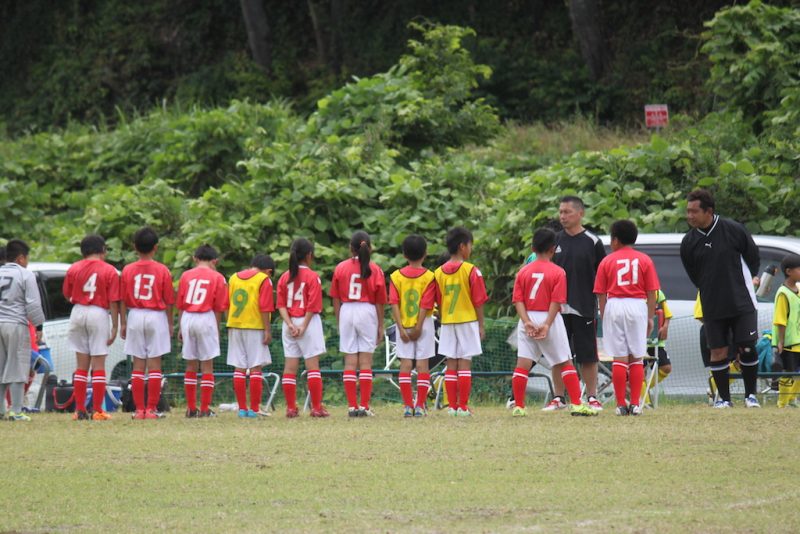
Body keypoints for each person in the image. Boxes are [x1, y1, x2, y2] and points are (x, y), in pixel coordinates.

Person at [680, 189, 761, 408]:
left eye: (694, 211)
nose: (689, 216)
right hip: (712, 304)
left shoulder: (733, 230)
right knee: (717, 351)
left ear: (709, 211)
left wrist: (748, 279)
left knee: (747, 347)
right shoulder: (688, 242)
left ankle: (751, 396)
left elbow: (753, 257)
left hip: (741, 301)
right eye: (688, 211)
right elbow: (695, 275)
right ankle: (724, 399)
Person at [511, 228, 596, 417]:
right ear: (553, 249)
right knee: (564, 361)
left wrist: (526, 322)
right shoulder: (558, 272)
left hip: (527, 317)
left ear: (533, 248)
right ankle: (576, 404)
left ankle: (519, 406)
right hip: (549, 317)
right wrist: (547, 324)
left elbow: (518, 300)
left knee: (522, 362)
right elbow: (556, 301)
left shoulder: (523, 272)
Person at [594, 220, 660, 415]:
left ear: (615, 240)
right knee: (636, 357)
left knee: (619, 358)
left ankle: (620, 404)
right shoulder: (645, 260)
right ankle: (636, 403)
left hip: (614, 305)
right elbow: (652, 292)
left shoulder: (607, 261)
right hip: (637, 306)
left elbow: (601, 294)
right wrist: (650, 317)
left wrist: (605, 315)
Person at [549, 196, 606, 411]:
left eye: (567, 212)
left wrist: (602, 305)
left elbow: (603, 275)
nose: (562, 216)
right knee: (558, 354)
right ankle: (558, 397)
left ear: (580, 213)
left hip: (584, 307)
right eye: (561, 212)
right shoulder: (554, 241)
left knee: (587, 355)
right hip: (557, 309)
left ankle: (592, 397)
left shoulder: (593, 241)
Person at [62, 234, 121, 421]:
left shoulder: (73, 268)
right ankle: (97, 410)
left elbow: (67, 295)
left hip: (78, 311)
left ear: (83, 251)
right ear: (102, 250)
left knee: (81, 365)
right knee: (98, 364)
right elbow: (113, 300)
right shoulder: (110, 270)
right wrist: (115, 326)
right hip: (98, 312)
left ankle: (79, 410)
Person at [120, 227, 175, 420]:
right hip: (156, 315)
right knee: (154, 365)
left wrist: (123, 322)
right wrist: (170, 323)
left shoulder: (127, 270)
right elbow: (169, 300)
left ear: (135, 247)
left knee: (138, 365)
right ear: (156, 247)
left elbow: (122, 299)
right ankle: (151, 409)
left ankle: (139, 410)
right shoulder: (162, 270)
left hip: (135, 315)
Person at [434, 226, 488, 416]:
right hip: (467, 321)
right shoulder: (471, 270)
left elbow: (438, 301)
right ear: (462, 246)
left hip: (448, 322)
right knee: (464, 364)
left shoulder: (438, 273)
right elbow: (479, 300)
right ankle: (463, 406)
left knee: (451, 364)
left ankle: (452, 407)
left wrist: (443, 317)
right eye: (470, 245)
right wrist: (481, 324)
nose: (470, 249)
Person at [330, 231, 386, 417]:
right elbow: (380, 301)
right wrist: (380, 325)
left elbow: (335, 297)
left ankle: (352, 406)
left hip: (346, 310)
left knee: (350, 361)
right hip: (367, 311)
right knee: (365, 362)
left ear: (350, 248)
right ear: (369, 248)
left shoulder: (340, 267)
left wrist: (339, 319)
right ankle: (364, 406)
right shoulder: (375, 269)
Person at [277, 238, 328, 418]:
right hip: (308, 323)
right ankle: (316, 407)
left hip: (289, 323)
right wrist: (303, 326)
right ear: (309, 255)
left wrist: (290, 324)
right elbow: (313, 305)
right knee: (312, 367)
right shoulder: (312, 276)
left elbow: (281, 304)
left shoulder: (284, 277)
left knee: (290, 367)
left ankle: (291, 408)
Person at [177, 244, 229, 418]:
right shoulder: (218, 277)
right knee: (207, 365)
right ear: (215, 261)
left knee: (191, 364)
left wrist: (181, 326)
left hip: (188, 317)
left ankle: (191, 408)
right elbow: (219, 307)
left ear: (195, 259)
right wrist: (217, 328)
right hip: (206, 317)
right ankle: (205, 408)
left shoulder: (186, 275)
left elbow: (181, 303)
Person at [389, 234, 438, 417]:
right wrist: (418, 327)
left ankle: (408, 406)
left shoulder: (395, 277)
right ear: (425, 254)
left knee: (406, 363)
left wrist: (401, 328)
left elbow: (394, 303)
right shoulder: (430, 277)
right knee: (423, 364)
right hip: (424, 324)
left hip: (403, 324)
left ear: (404, 254)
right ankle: (420, 406)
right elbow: (426, 303)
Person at [0, 239, 45, 421]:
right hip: (16, 324)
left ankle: (1, 410)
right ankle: (16, 411)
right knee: (18, 366)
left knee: (0, 366)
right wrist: (39, 325)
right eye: (27, 257)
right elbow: (33, 304)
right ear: (20, 258)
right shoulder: (25, 274)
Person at [226, 254, 275, 418]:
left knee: (239, 367)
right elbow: (265, 307)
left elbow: (227, 303)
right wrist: (267, 330)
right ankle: (254, 409)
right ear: (269, 271)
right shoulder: (263, 279)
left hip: (235, 325)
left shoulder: (233, 278)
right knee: (255, 367)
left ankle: (242, 409)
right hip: (254, 326)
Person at [772, 254, 800, 408]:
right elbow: (780, 320)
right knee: (788, 373)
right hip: (788, 343)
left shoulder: (798, 289)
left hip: (798, 341)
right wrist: (781, 341)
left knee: (797, 374)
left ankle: (792, 400)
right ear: (789, 271)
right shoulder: (783, 293)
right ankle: (782, 403)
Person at [642, 289, 673, 405]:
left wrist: (665, 327)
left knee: (666, 368)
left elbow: (667, 313)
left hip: (655, 341)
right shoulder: (634, 289)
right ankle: (645, 403)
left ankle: (646, 388)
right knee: (640, 371)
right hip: (638, 341)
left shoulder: (657, 292)